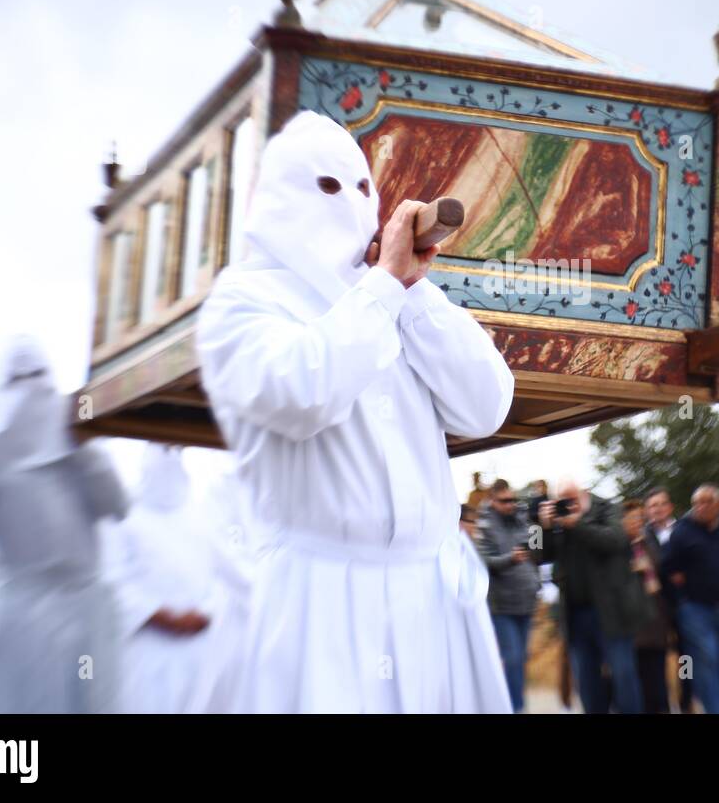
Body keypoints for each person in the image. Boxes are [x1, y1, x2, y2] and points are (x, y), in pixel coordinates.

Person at [196, 110, 514, 713]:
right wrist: (385, 286)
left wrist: (414, 294)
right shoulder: (240, 302)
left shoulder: (391, 292)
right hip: (318, 605)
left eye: (362, 188)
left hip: (429, 601)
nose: (348, 204)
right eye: (326, 186)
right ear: (279, 197)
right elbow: (301, 395)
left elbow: (486, 406)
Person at [0, 336, 129, 713]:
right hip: (22, 613)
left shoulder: (79, 444)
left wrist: (84, 451)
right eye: (21, 379)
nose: (32, 390)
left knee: (89, 698)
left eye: (40, 377)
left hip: (84, 612)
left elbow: (117, 505)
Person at [103, 444, 251, 713]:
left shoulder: (201, 514)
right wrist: (162, 617)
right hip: (149, 647)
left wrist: (206, 613)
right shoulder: (124, 517)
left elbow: (230, 575)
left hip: (200, 645)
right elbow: (112, 583)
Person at [537, 480, 649, 713]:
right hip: (576, 613)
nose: (568, 505)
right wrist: (543, 528)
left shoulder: (607, 508)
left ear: (584, 494)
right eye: (562, 500)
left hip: (612, 612)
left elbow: (614, 541)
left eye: (572, 499)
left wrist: (577, 523)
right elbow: (537, 555)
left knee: (623, 674)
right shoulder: (556, 522)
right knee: (586, 680)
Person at [661, 485, 719, 714]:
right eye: (696, 503)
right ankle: (710, 708)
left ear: (718, 504)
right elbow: (667, 568)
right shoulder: (682, 533)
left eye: (706, 502)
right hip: (696, 611)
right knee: (704, 661)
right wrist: (681, 601)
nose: (700, 508)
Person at [474, 480, 540, 711]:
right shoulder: (483, 525)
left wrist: (541, 523)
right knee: (511, 659)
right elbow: (484, 561)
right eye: (504, 501)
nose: (510, 504)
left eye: (512, 499)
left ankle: (516, 705)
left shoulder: (522, 517)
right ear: (493, 501)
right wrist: (510, 559)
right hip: (501, 605)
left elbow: (538, 547)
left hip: (526, 599)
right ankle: (514, 707)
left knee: (521, 659)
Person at [622, 499, 672, 713]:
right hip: (631, 629)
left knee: (658, 685)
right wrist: (632, 568)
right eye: (632, 518)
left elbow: (662, 575)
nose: (637, 522)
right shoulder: (617, 548)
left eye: (640, 518)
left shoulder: (649, 543)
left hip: (655, 625)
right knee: (636, 686)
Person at [644, 485, 691, 711]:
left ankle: (686, 698)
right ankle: (662, 703)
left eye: (662, 504)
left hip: (684, 605)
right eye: (653, 506)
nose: (658, 509)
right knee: (657, 660)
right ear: (647, 510)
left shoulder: (684, 530)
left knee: (685, 657)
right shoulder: (642, 537)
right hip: (656, 610)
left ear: (670, 506)